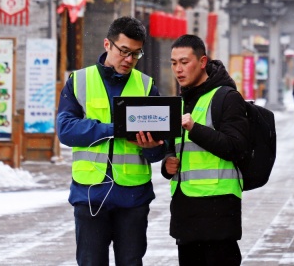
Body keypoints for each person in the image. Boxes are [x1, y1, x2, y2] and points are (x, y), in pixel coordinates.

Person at [57, 16, 165, 266]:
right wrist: (114, 129)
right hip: (90, 194)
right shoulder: (79, 81)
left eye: (136, 54)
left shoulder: (146, 86)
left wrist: (152, 149)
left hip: (133, 197)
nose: (129, 59)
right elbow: (66, 130)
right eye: (124, 51)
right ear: (107, 44)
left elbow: (161, 147)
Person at [162, 34, 250, 266]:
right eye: (174, 63)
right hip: (185, 212)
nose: (178, 69)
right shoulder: (180, 102)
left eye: (184, 62)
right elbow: (174, 148)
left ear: (202, 62)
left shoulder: (226, 98)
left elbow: (236, 147)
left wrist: (195, 128)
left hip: (218, 212)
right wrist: (167, 163)